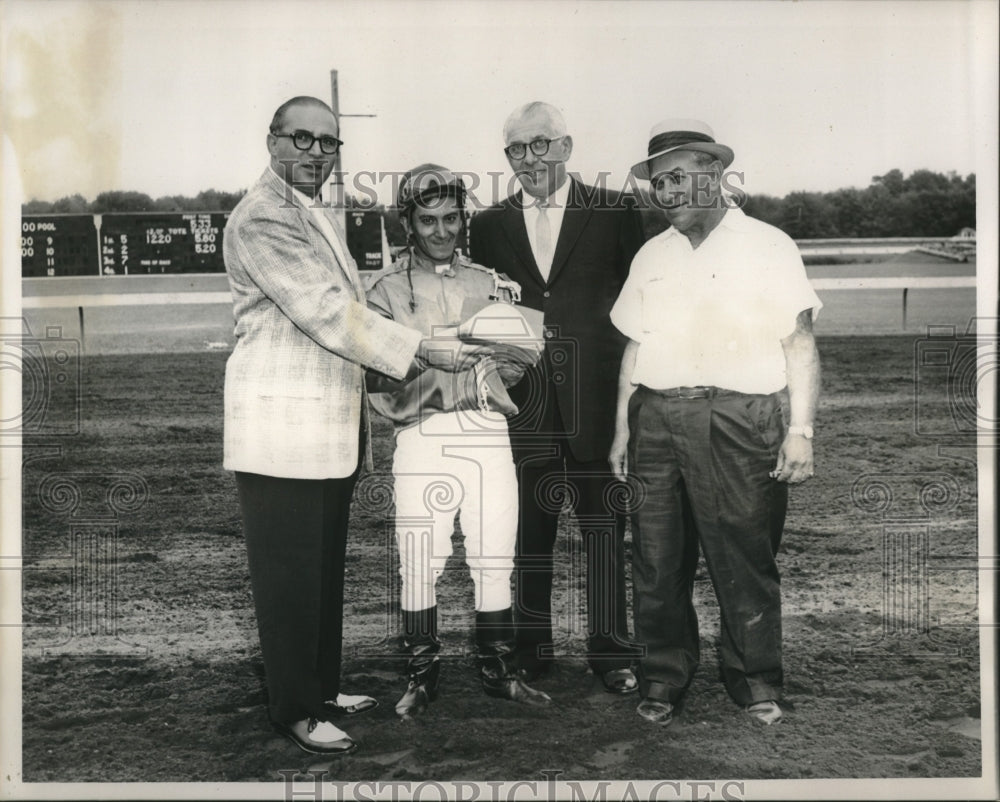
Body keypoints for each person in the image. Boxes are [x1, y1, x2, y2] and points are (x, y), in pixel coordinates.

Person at [223, 97, 485, 755]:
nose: (316, 152)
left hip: (326, 428)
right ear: (272, 142)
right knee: (288, 576)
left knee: (320, 569)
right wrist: (425, 347)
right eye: (302, 139)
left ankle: (320, 687)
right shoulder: (262, 215)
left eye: (328, 143)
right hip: (280, 427)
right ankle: (295, 710)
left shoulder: (311, 211)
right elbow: (329, 313)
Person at [608, 119, 822, 727]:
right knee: (656, 557)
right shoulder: (651, 254)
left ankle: (755, 680)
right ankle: (663, 676)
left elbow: (799, 343)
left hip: (741, 418)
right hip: (656, 418)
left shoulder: (768, 244)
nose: (667, 192)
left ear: (715, 174)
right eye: (658, 183)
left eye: (678, 178)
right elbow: (632, 349)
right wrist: (623, 430)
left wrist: (800, 430)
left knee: (744, 555)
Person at [469, 102, 646, 692]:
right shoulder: (489, 224)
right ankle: (530, 649)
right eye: (517, 149)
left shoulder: (617, 210)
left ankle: (611, 654)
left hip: (597, 404)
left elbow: (638, 310)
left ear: (567, 146)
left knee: (603, 535)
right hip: (527, 407)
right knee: (530, 539)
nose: (529, 159)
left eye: (541, 144)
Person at [366, 164, 551, 717]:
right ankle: (422, 677)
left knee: (494, 554)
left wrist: (497, 364)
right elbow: (377, 378)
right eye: (428, 220)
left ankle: (498, 671)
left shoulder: (489, 283)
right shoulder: (383, 291)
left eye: (451, 218)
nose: (441, 231)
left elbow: (515, 368)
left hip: (488, 431)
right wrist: (445, 357)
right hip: (421, 434)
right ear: (408, 222)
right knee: (419, 559)